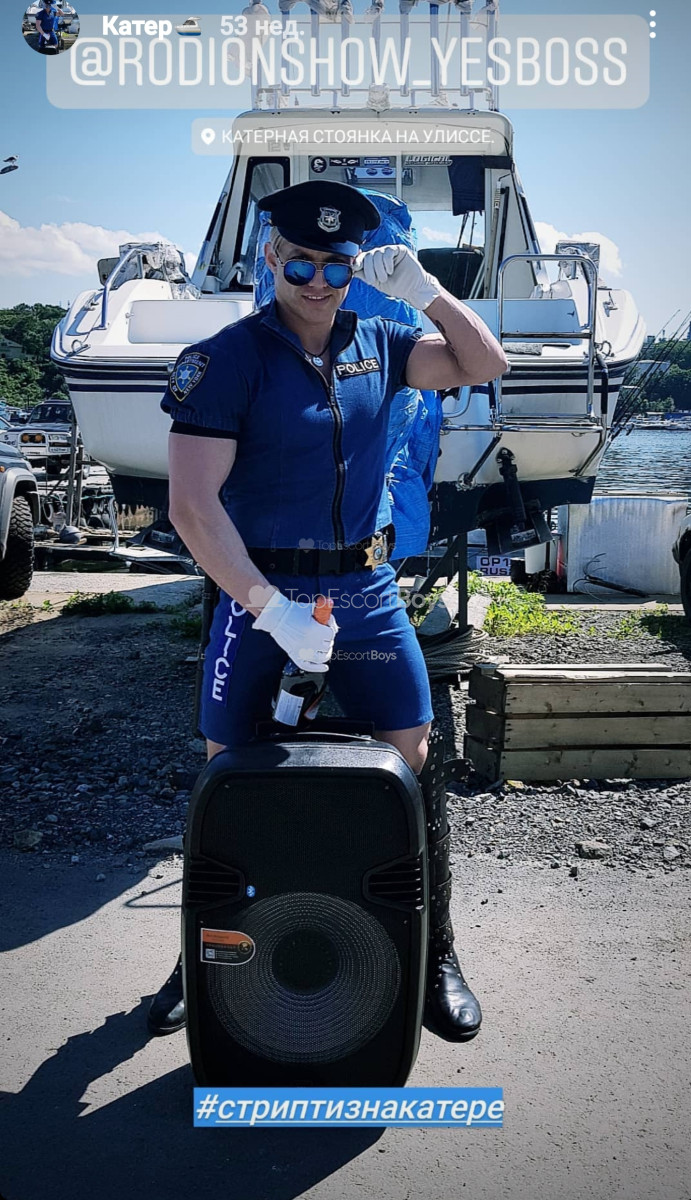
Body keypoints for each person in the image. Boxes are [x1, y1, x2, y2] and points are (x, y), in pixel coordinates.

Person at [148, 179, 508, 1040]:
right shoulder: (227, 359)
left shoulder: (384, 339)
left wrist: (427, 292)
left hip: (364, 592)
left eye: (337, 265)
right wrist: (267, 608)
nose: (317, 281)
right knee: (230, 770)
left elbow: (483, 363)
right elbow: (192, 507)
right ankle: (201, 956)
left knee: (413, 757)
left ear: (357, 268)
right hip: (260, 590)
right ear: (272, 256)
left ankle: (434, 952)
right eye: (301, 262)